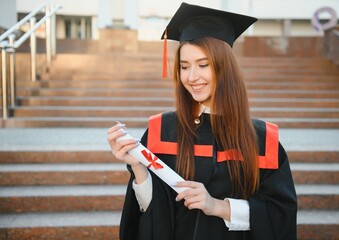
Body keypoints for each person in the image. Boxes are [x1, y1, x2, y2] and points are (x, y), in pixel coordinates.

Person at [107, 2, 297, 240]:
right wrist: (137, 166)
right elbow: (150, 211)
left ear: (225, 67)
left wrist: (217, 206)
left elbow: (280, 216)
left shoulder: (262, 140)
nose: (191, 77)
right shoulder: (161, 130)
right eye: (184, 66)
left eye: (203, 65)